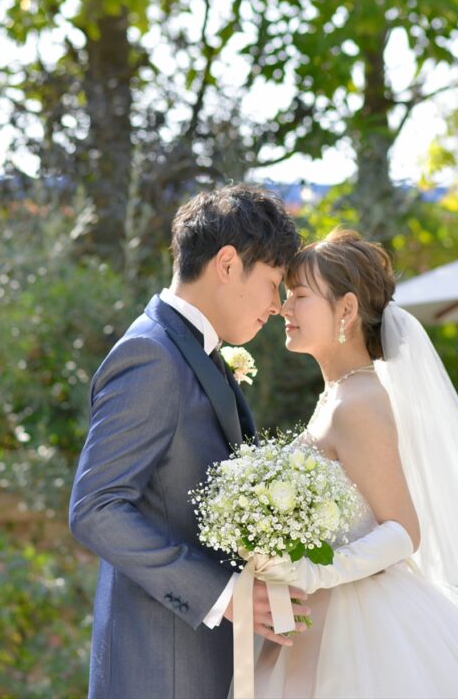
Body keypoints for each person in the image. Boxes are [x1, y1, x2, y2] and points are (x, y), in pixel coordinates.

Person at [253, 228, 458, 699]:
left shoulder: (358, 402)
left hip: (360, 627)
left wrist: (316, 571)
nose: (285, 309)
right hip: (319, 613)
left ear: (346, 310)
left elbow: (404, 532)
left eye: (299, 296)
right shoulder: (339, 395)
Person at [69, 183, 309, 699]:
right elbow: (96, 508)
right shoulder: (151, 355)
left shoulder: (193, 349)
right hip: (160, 668)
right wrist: (224, 595)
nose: (277, 305)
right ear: (227, 264)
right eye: (273, 284)